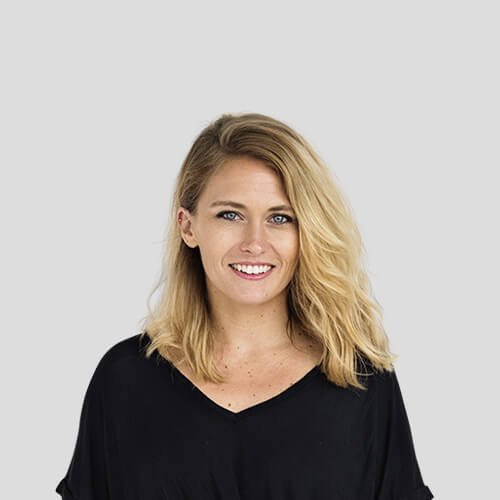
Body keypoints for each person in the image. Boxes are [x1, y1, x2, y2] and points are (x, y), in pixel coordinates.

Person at [55, 112, 434, 499]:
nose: (255, 242)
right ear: (187, 225)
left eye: (280, 218)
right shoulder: (124, 381)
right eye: (230, 215)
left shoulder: (360, 381)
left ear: (308, 232)